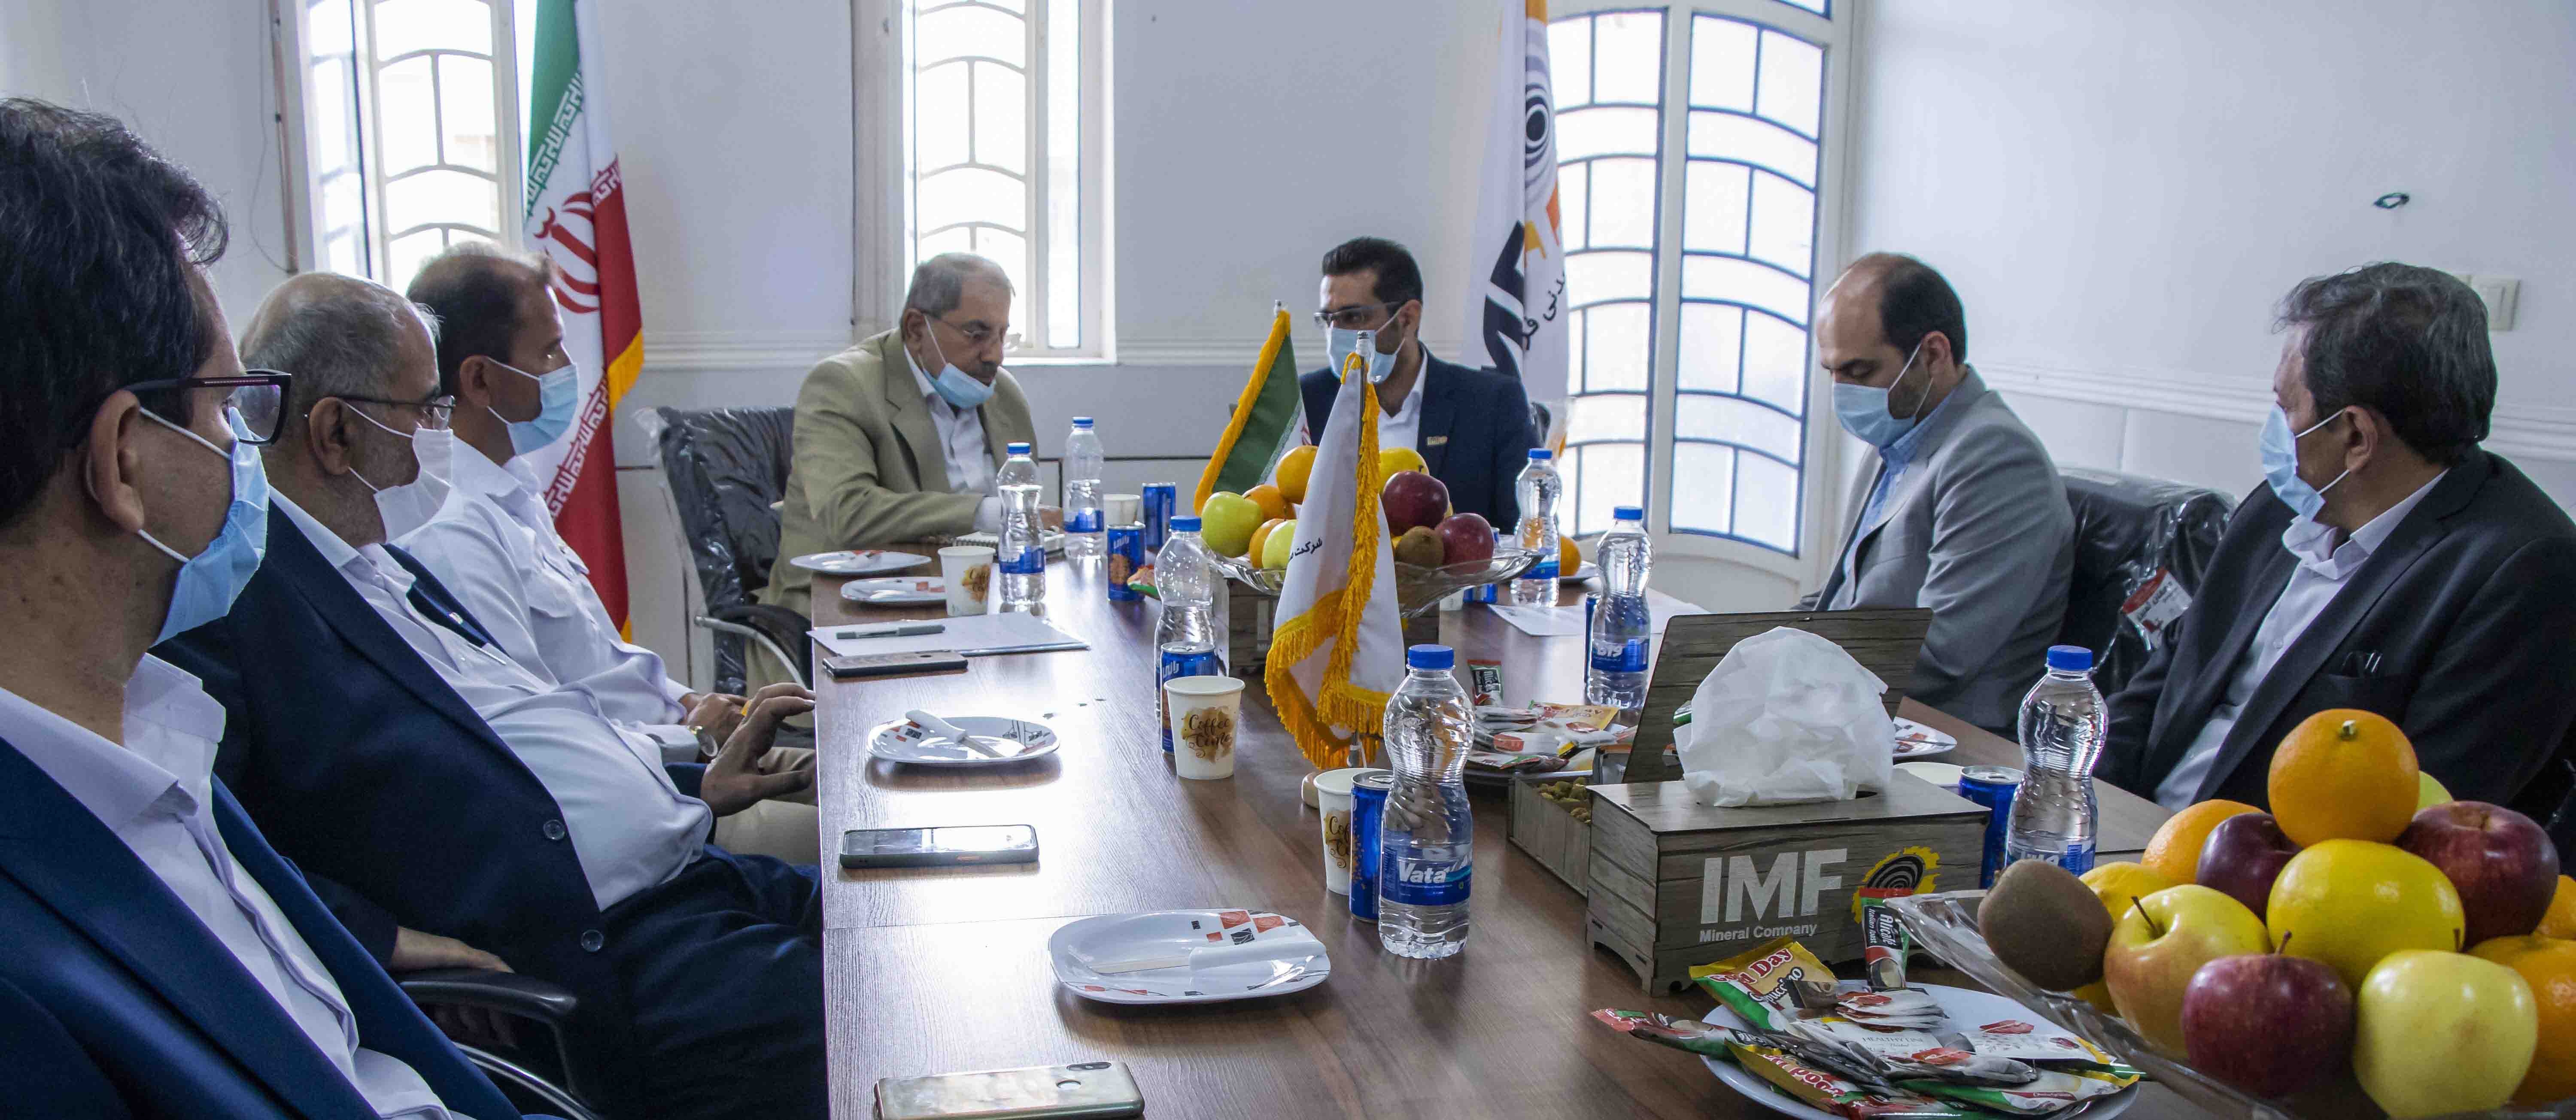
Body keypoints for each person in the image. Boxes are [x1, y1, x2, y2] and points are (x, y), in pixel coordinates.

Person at [157, 271, 831, 1120]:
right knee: (894, 1015)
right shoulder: (237, 606)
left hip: (693, 875)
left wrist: (696, 783)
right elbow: (205, 841)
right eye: (425, 410)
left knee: (913, 918)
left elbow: (513, 732)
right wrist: (380, 939)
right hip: (610, 952)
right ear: (335, 432)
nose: (442, 434)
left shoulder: (380, 563)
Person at [0, 97, 538, 1119]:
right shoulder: (26, 975)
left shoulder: (154, 731)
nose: (249, 450)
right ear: (125, 463)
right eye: (228, 409)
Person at [399, 242, 821, 864]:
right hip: (651, 793)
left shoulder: (512, 490)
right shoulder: (453, 531)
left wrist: (689, 703)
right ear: (480, 378)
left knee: (880, 773)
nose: (570, 367)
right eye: (550, 351)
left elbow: (603, 663)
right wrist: (691, 736)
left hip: (683, 749)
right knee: (869, 833)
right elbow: (536, 740)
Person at [2102, 263, 2576, 813]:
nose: (2276, 429)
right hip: (2133, 832)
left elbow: (2423, 814)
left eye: (2286, 408)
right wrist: (2080, 803)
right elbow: (2164, 682)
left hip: (2266, 861)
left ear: (2356, 435)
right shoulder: (2275, 509)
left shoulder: (2525, 572)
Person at [1802, 254, 2074, 734]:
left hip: (1940, 738)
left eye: (1860, 372)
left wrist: (1789, 669)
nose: (1842, 393)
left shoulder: (1997, 457)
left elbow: (1939, 655)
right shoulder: (1896, 438)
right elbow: (1837, 602)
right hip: (1856, 711)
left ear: (1932, 354)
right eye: (1832, 372)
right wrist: (1739, 644)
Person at [763, 252, 1044, 625]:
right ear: (915, 329)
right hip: (850, 606)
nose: (995, 355)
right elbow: (849, 512)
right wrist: (987, 513)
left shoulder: (1003, 394)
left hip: (978, 599)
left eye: (1002, 335)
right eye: (977, 334)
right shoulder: (843, 384)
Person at [1300, 236, 1537, 526]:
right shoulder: (1307, 401)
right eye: (1328, 319)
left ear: (1408, 318)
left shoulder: (1493, 404)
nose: (1336, 333)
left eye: (1353, 317)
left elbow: (1527, 531)